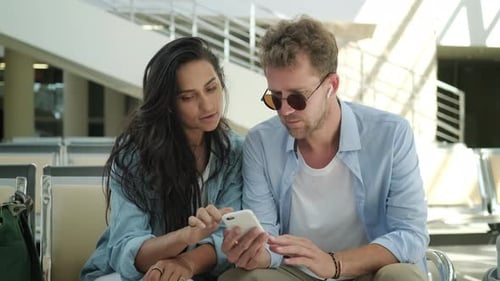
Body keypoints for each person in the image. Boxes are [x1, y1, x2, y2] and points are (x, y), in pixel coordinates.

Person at [219, 16, 429, 281]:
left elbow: (411, 234)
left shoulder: (391, 134)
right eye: (275, 98)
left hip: (370, 269)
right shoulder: (261, 142)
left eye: (297, 97)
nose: (285, 110)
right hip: (296, 272)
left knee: (401, 278)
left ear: (332, 86)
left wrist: (335, 263)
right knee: (243, 279)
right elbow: (267, 238)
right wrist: (252, 253)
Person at [80, 37, 243, 281]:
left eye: (211, 88)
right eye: (188, 97)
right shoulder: (134, 155)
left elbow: (228, 239)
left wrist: (186, 263)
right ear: (168, 104)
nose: (207, 104)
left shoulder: (233, 151)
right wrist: (186, 237)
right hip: (125, 275)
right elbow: (126, 248)